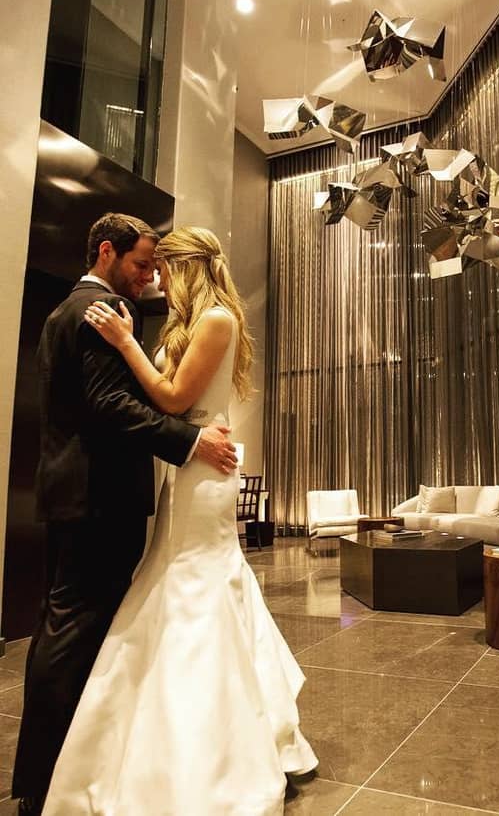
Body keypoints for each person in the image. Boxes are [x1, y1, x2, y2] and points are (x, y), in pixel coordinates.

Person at [41, 226, 318, 815]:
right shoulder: (186, 323)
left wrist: (126, 343)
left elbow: (170, 399)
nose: (156, 281)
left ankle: (213, 738)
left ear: (187, 266)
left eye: (163, 269)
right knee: (179, 580)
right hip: (188, 467)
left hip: (205, 474)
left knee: (196, 586)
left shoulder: (216, 319)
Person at [12, 214, 237, 816]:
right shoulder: (105, 311)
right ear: (107, 252)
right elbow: (111, 404)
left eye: (158, 267)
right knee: (74, 631)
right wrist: (190, 441)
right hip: (99, 499)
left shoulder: (64, 310)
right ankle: (50, 775)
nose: (149, 278)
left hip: (70, 494)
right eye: (141, 265)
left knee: (61, 626)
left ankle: (48, 769)